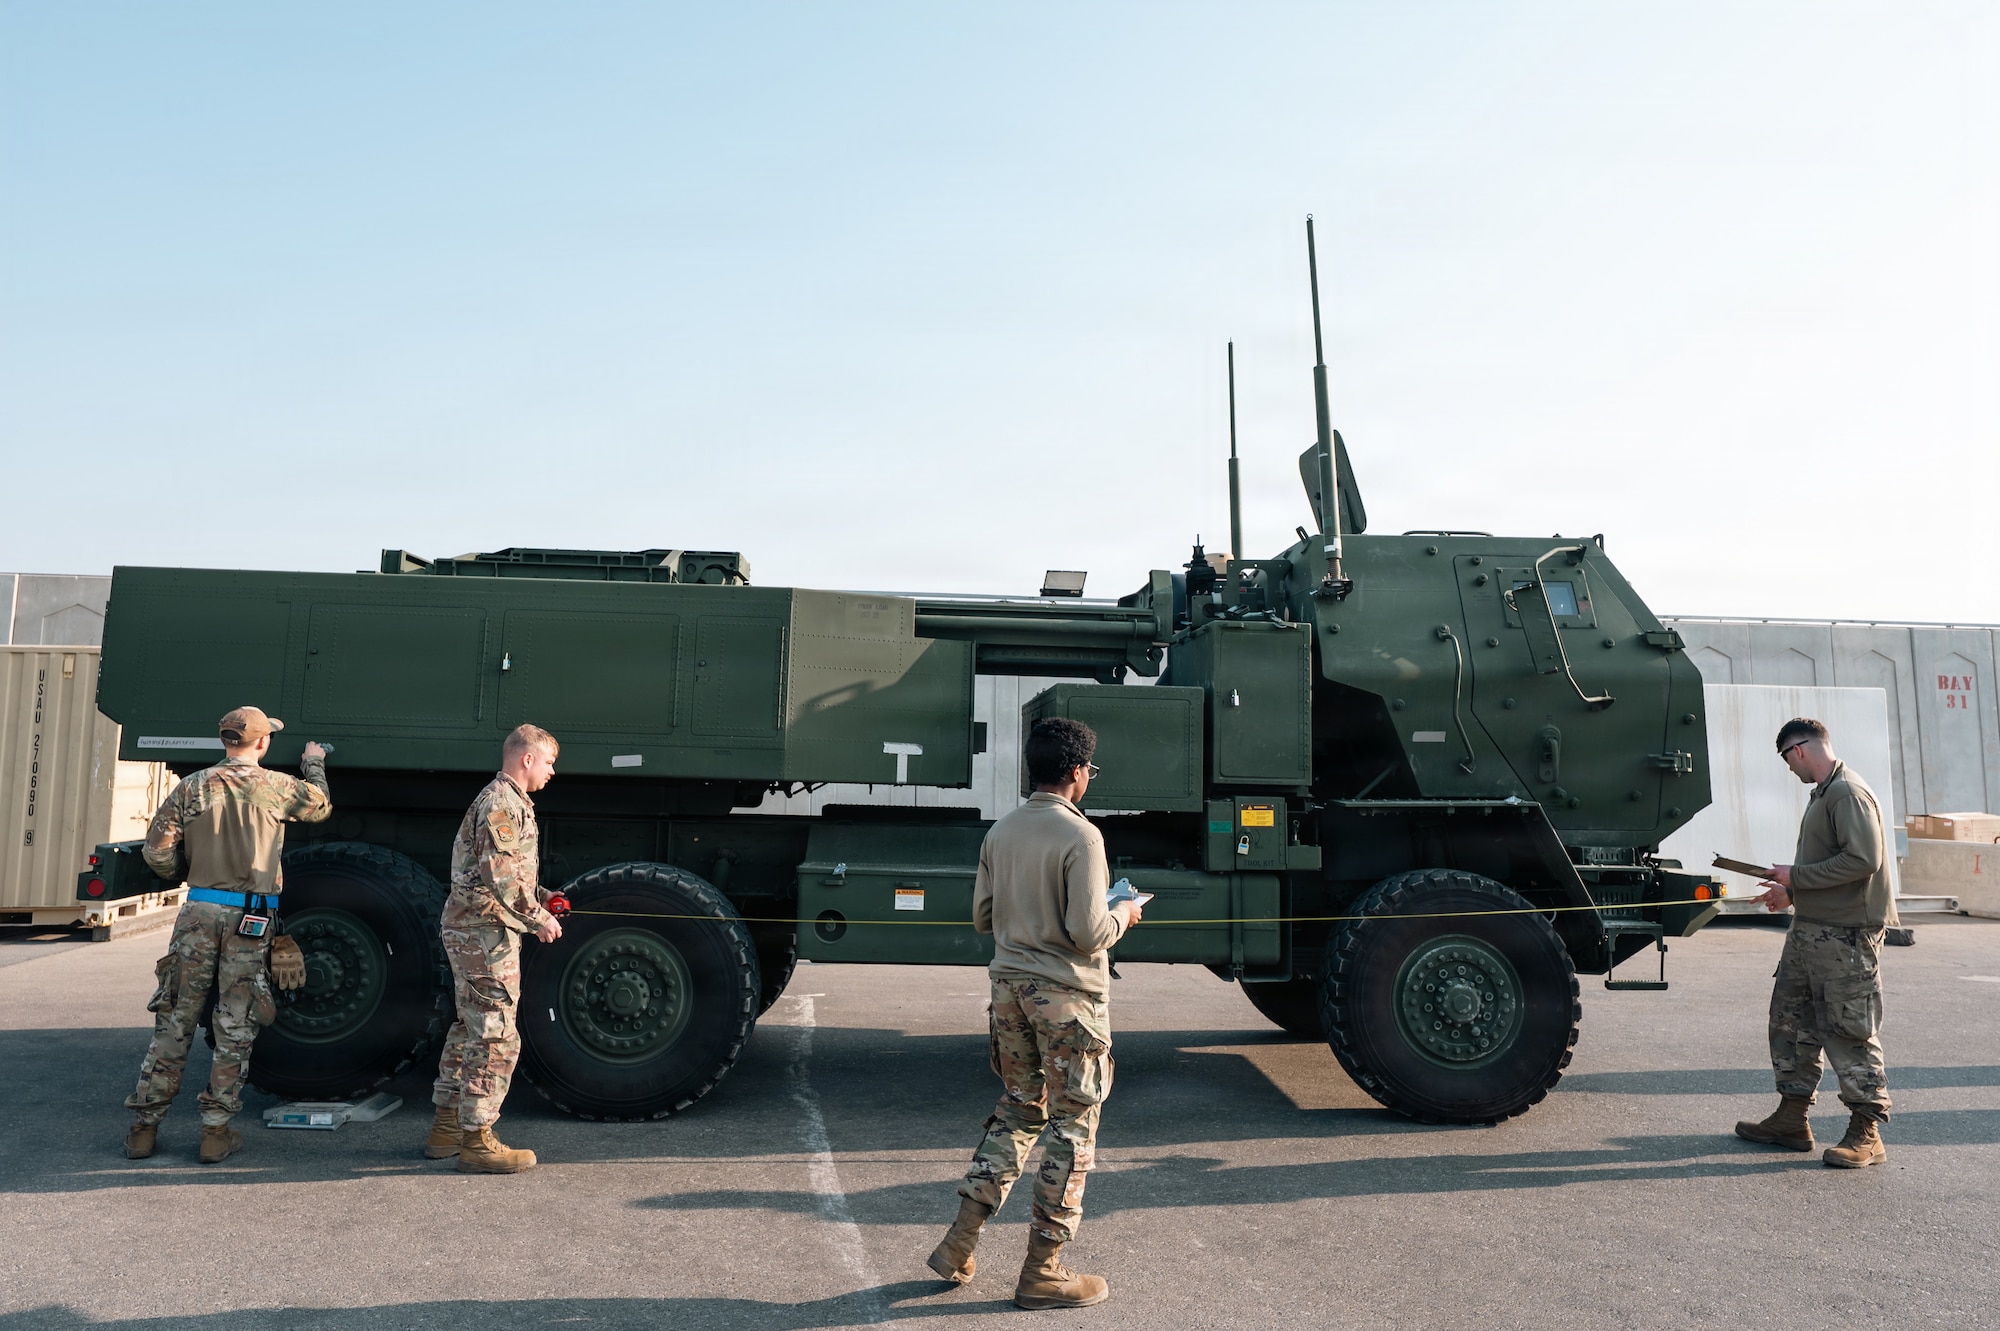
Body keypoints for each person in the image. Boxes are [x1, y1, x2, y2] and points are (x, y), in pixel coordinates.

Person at [927, 717, 1143, 1310]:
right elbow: (1088, 932)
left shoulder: (1001, 831)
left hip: (1008, 991)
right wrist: (1124, 912)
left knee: (1020, 1109)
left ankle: (958, 1242)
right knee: (1073, 1129)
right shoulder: (1083, 837)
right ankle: (1043, 1271)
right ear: (1077, 771)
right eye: (1089, 771)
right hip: (1067, 1000)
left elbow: (982, 917)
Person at [123, 706, 331, 1164]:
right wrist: (313, 761)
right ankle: (214, 1133)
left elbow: (157, 850)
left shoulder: (192, 786)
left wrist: (190, 874)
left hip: (197, 912)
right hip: (250, 921)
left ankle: (143, 1128)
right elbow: (319, 805)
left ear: (225, 741)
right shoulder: (276, 787)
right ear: (262, 743)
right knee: (236, 1023)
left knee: (174, 1018)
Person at [1735, 717, 1897, 1168]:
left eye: (1786, 759)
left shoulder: (1846, 792)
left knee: (1849, 1029)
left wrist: (1797, 877)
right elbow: (1833, 863)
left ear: (1799, 749)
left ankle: (1866, 1133)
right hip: (1813, 929)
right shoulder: (1826, 792)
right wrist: (1792, 891)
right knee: (1792, 1023)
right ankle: (1791, 1118)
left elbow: (1864, 859)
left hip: (1846, 936)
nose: (1789, 769)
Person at [426, 723, 565, 1173]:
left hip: (477, 929)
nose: (551, 772)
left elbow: (499, 872)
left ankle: (447, 1127)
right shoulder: (502, 804)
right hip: (484, 933)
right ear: (526, 759)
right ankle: (477, 1140)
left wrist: (541, 896)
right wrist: (538, 918)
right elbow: (501, 879)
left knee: (470, 1028)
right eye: (548, 762)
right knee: (495, 1035)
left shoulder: (504, 800)